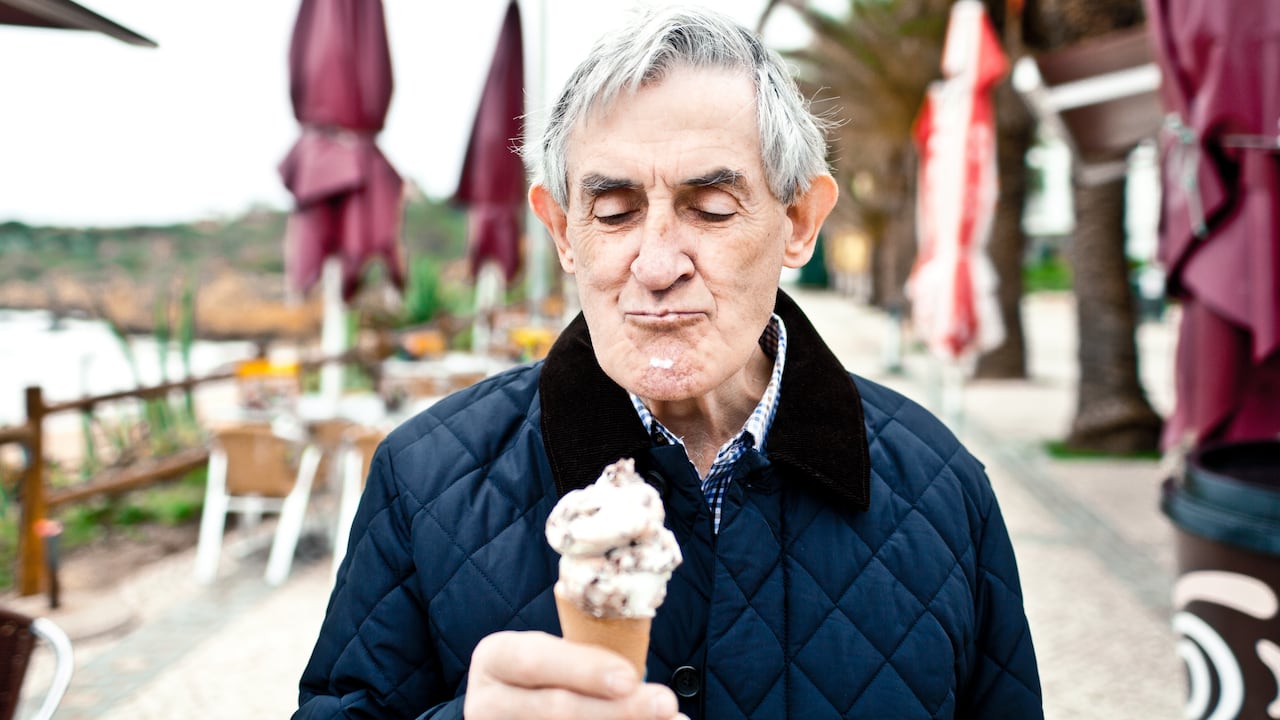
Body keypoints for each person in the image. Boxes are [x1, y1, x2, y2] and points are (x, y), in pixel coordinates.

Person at [295, 7, 1042, 719]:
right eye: (614, 211)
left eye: (711, 207)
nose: (655, 263)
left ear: (800, 223)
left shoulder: (945, 492)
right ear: (561, 232)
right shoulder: (422, 481)